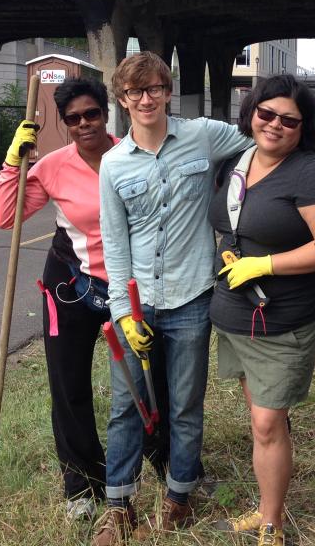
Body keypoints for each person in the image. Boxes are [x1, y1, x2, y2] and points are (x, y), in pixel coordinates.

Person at [94, 51, 253, 546]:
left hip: (191, 298)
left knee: (185, 404)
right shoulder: (113, 164)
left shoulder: (204, 135)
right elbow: (114, 246)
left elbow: (259, 141)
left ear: (168, 91)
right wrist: (124, 315)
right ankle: (118, 507)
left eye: (155, 89)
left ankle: (178, 497)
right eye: (134, 92)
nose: (146, 99)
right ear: (122, 100)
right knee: (127, 405)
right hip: (139, 303)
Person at [0, 77, 168, 520]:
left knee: (146, 381)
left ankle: (168, 463)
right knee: (68, 385)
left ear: (107, 112)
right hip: (70, 286)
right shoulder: (53, 165)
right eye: (73, 118)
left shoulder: (131, 155)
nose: (84, 123)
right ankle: (82, 487)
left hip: (127, 288)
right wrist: (14, 161)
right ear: (65, 123)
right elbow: (8, 216)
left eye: (91, 113)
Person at [209, 74, 315, 546]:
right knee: (262, 420)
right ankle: (267, 507)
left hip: (282, 317)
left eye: (290, 120)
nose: (275, 125)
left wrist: (263, 263)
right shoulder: (235, 161)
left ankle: (273, 524)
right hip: (233, 313)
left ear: (303, 128)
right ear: (251, 113)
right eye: (266, 113)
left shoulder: (310, 172)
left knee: (268, 422)